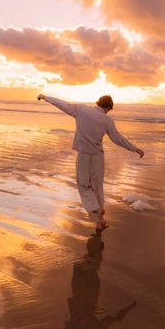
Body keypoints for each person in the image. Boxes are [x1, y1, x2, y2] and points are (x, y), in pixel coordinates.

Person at [37, 94, 144, 231]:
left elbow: (62, 104)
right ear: (107, 107)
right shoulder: (107, 120)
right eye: (108, 110)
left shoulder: (81, 110)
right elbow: (118, 139)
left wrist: (46, 97)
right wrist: (135, 149)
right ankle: (100, 218)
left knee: (84, 186)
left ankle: (97, 213)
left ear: (98, 103)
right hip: (98, 157)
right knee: (97, 187)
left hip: (84, 156)